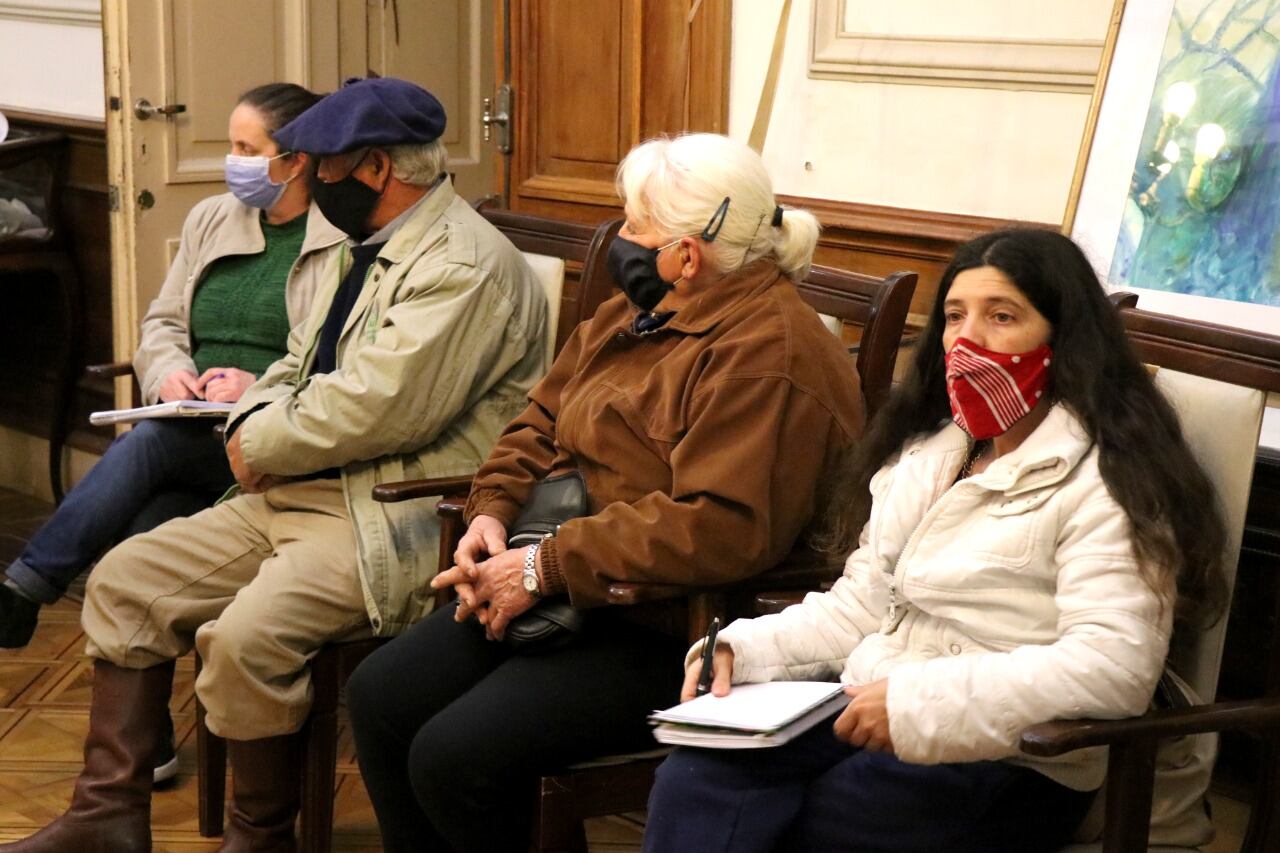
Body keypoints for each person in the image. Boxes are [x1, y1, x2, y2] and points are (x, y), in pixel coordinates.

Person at [0, 76, 548, 853]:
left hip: (386, 512)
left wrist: (250, 442)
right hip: (298, 489)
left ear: (375, 170)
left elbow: (374, 407)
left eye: (322, 164)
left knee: (244, 638)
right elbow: (296, 363)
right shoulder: (361, 245)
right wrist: (258, 431)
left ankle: (260, 840)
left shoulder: (462, 265)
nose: (309, 178)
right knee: (127, 582)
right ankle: (106, 817)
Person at [344, 133, 866, 853]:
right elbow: (539, 419)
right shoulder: (636, 310)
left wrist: (544, 566)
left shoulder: (770, 353)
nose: (618, 240)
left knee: (456, 754)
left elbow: (720, 527)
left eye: (633, 226)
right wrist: (490, 512)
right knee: (380, 696)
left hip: (675, 628)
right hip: (568, 586)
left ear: (687, 253)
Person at [642, 227, 1230, 853]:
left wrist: (914, 704)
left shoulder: (1110, 477)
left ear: (1063, 338)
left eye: (1001, 317)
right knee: (697, 777)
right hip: (869, 703)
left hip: (1017, 755)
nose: (968, 340)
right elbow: (863, 604)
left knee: (821, 821)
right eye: (954, 317)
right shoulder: (931, 452)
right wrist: (740, 648)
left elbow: (1112, 669)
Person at [0, 82, 340, 668]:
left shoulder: (339, 241)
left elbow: (334, 361)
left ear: (295, 160)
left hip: (269, 434)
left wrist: (253, 389)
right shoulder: (214, 217)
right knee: (145, 529)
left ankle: (25, 587)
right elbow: (161, 322)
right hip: (191, 422)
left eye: (245, 147)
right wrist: (170, 373)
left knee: (150, 446)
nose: (231, 161)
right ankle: (144, 740)